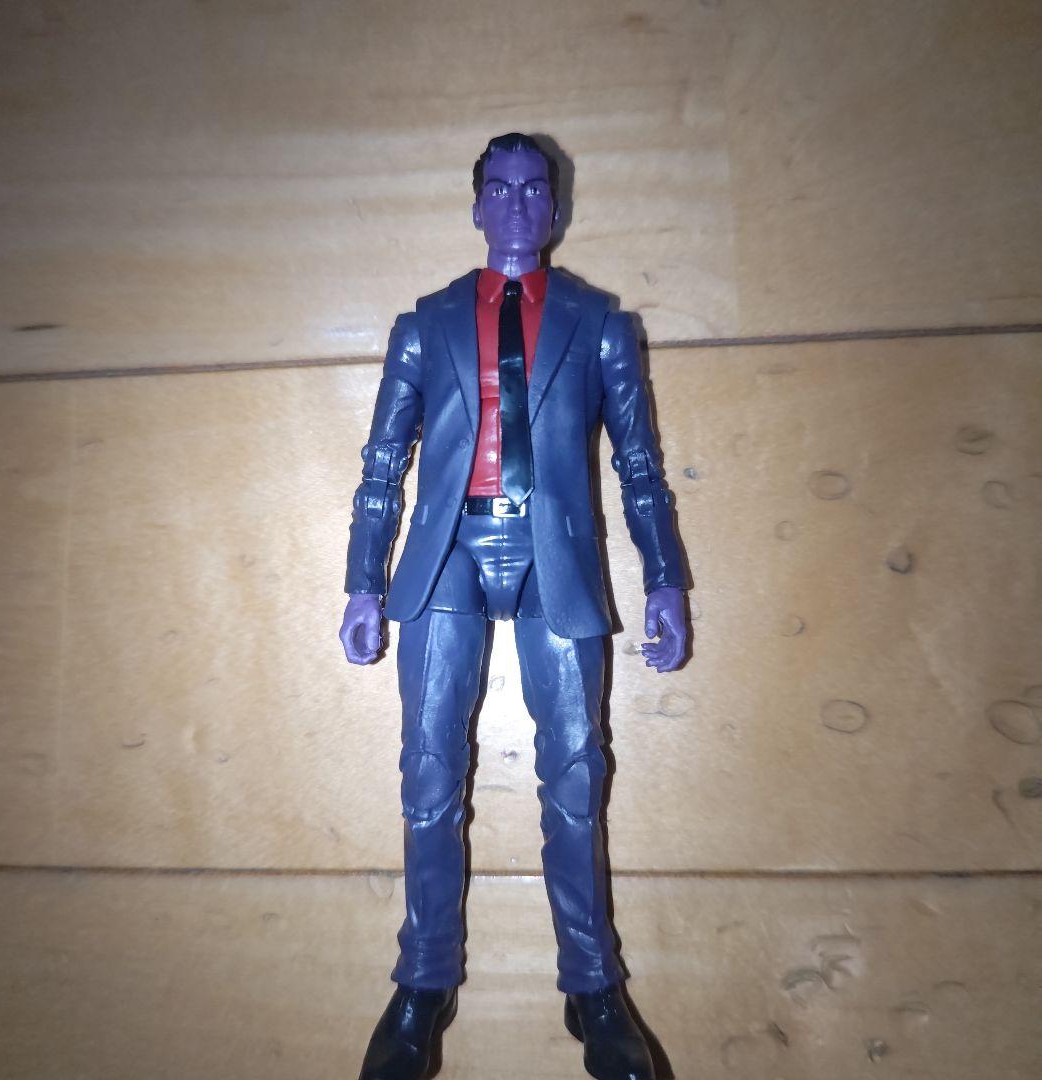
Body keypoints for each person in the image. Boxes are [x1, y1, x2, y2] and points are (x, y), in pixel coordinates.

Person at [340, 132, 690, 1080]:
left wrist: (664, 576)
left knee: (575, 774)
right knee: (428, 772)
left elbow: (639, 464)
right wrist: (363, 580)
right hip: (449, 550)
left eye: (536, 189)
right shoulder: (426, 325)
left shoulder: (600, 324)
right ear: (477, 207)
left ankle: (592, 984)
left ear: (557, 209)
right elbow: (383, 463)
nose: (519, 204)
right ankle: (423, 981)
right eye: (500, 189)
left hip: (555, 554)